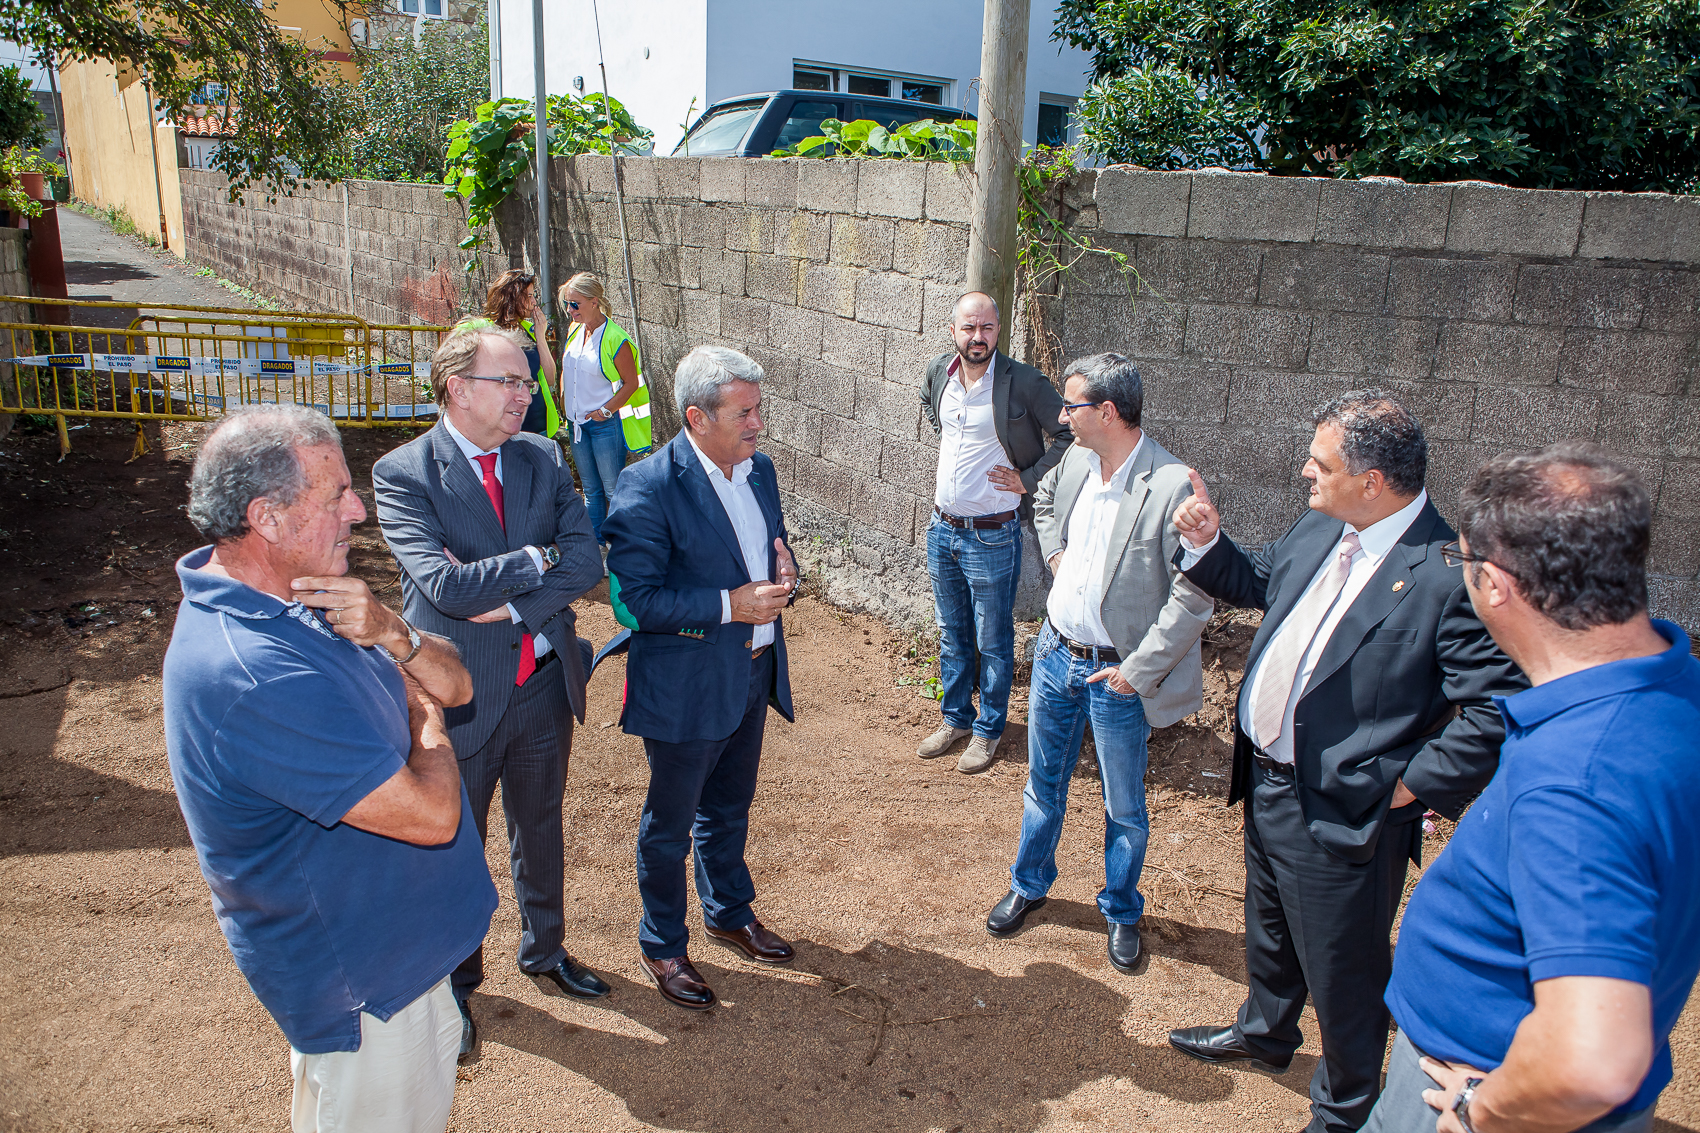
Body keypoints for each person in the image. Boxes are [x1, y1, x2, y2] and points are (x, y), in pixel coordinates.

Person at [1164, 389, 1526, 1133]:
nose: (1304, 471)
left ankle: (1345, 1104)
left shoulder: (1445, 574)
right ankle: (1266, 1031)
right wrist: (1207, 543)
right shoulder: (1328, 524)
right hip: (1267, 781)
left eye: (1319, 462)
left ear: (1372, 481)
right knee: (1269, 926)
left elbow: (1495, 707)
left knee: (1346, 972)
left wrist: (1410, 787)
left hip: (1348, 812)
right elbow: (1262, 580)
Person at [162, 405, 497, 1133]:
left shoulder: (308, 594)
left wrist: (393, 631)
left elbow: (459, 683)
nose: (360, 509)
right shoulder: (250, 669)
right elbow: (432, 813)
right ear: (268, 519)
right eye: (336, 494)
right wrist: (424, 722)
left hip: (403, 960)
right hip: (369, 989)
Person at [1365, 441, 1700, 1133]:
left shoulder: (1576, 777)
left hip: (1480, 1083)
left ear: (1495, 584)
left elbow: (1592, 1062)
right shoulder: (1674, 690)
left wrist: (1481, 1107)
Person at [372, 318, 607, 1065]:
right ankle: (458, 984)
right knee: (456, 842)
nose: (527, 392)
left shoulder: (540, 454)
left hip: (541, 681)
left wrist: (507, 593)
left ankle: (546, 950)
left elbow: (588, 560)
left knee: (540, 825)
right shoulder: (403, 473)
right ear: (457, 387)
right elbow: (439, 587)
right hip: (459, 694)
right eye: (510, 381)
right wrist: (538, 561)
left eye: (526, 380)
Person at [984, 354, 1212, 975]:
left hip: (1118, 678)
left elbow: (1195, 596)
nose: (1062, 416)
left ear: (1106, 413)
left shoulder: (1171, 487)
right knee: (1042, 786)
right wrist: (1055, 554)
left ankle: (1119, 908)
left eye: (1072, 405)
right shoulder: (1079, 460)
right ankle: (1029, 885)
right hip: (1056, 653)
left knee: (1124, 807)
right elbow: (1045, 498)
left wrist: (1138, 671)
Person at [601, 344, 799, 1011]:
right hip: (686, 682)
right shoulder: (648, 485)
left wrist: (786, 573)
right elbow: (638, 599)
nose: (758, 423)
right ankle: (662, 940)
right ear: (697, 416)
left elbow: (772, 546)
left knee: (730, 807)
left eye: (758, 408)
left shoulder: (759, 470)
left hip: (751, 671)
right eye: (744, 411)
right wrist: (729, 606)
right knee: (671, 821)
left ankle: (727, 910)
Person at [916, 290, 1072, 773]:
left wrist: (1026, 480)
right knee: (951, 632)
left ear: (998, 330)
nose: (977, 337)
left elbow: (1069, 434)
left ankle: (989, 729)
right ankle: (957, 718)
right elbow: (928, 404)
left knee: (993, 640)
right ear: (954, 331)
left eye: (986, 328)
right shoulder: (939, 372)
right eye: (968, 328)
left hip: (992, 536)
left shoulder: (1022, 381)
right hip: (942, 531)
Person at [558, 271, 651, 553]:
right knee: (590, 491)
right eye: (566, 304)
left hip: (602, 425)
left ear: (594, 301)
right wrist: (565, 402)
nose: (569, 310)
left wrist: (606, 411)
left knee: (613, 490)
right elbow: (568, 370)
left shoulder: (615, 338)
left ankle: (620, 550)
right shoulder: (575, 330)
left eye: (575, 303)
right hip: (577, 424)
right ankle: (596, 547)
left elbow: (632, 383)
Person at [483, 269, 561, 438]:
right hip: (506, 428)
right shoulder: (489, 333)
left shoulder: (529, 331)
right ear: (512, 297)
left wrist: (540, 335)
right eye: (529, 296)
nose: (534, 302)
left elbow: (549, 378)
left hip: (539, 424)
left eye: (534, 296)